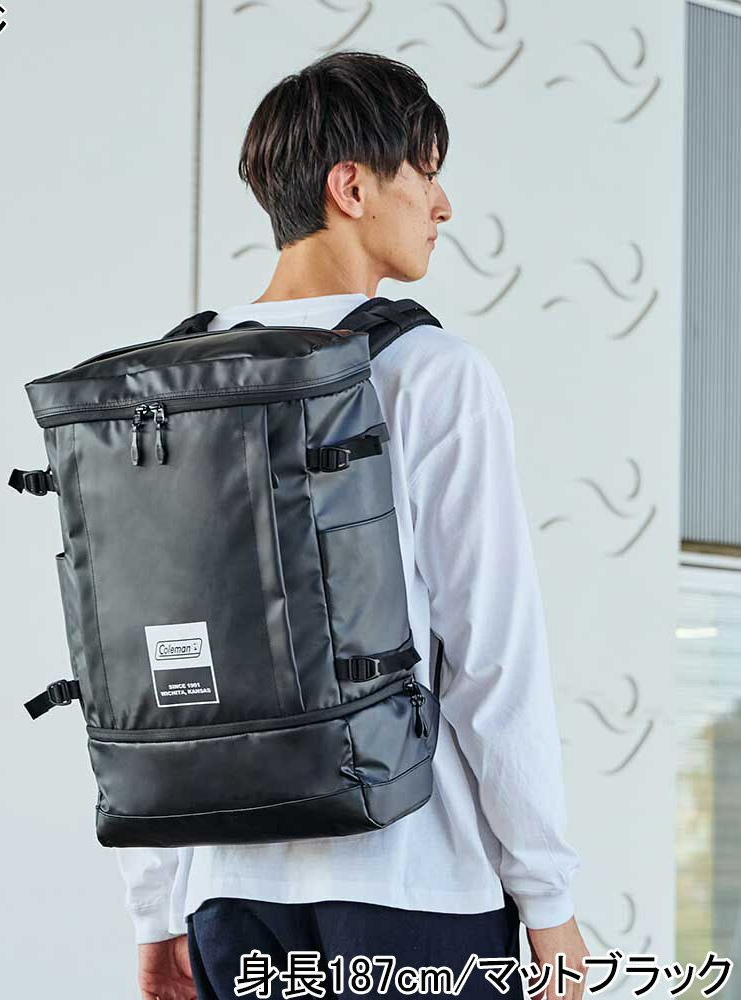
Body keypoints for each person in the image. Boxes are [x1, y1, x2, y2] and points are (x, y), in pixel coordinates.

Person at [117, 51, 589, 1000]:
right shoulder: (432, 373)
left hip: (229, 897)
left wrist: (157, 907)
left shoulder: (173, 380)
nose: (443, 204)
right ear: (353, 187)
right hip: (415, 887)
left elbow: (146, 662)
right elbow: (493, 655)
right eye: (427, 172)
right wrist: (548, 897)